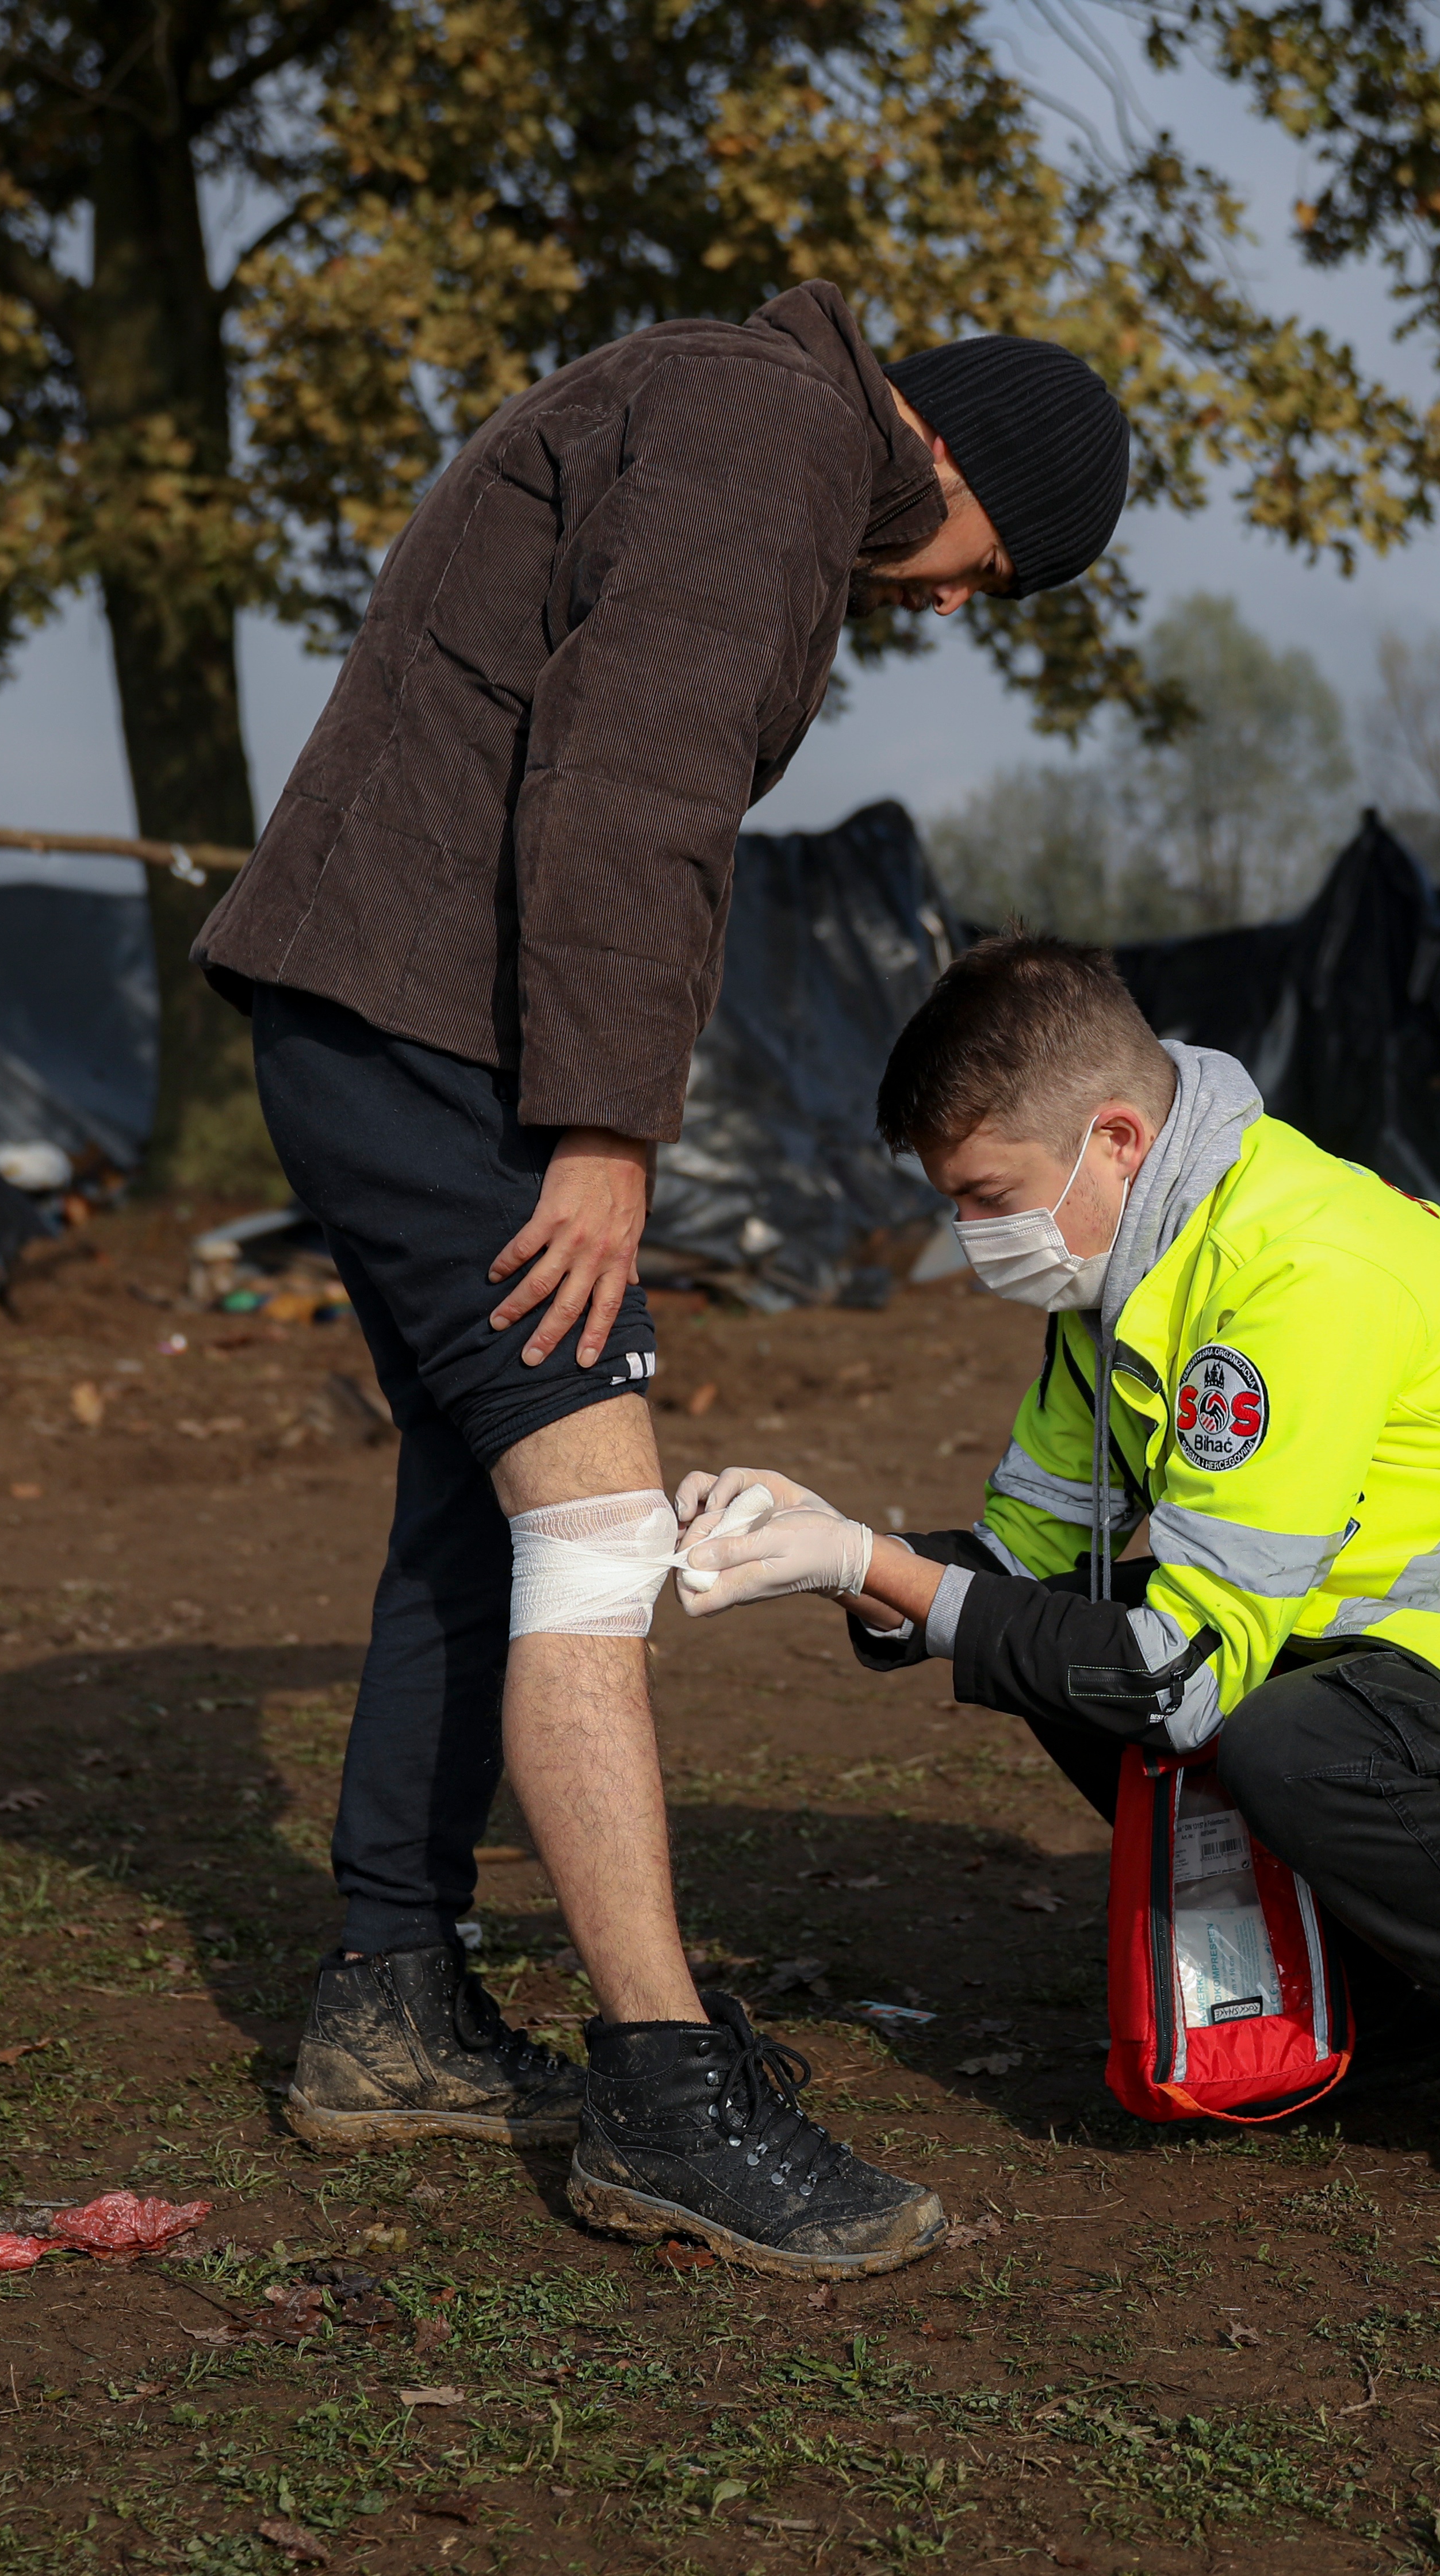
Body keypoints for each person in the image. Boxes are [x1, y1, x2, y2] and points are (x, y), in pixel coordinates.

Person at [189, 285, 1132, 2282]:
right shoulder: (769, 438)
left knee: (488, 1506)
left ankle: (392, 2004)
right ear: (957, 464)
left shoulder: (728, 411)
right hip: (433, 1034)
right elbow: (632, 785)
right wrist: (609, 1135)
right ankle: (660, 2090)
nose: (964, 605)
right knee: (600, 1539)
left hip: (381, 1011)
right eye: (998, 569)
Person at [668, 937, 1440, 2259]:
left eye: (985, 1194)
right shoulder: (1126, 1288)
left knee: (1275, 1734)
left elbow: (1174, 1677)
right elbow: (1027, 1579)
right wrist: (840, 1543)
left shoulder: (1293, 1273)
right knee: (1076, 1653)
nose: (969, 1235)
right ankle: (1409, 1983)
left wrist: (871, 1569)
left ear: (1115, 1137)